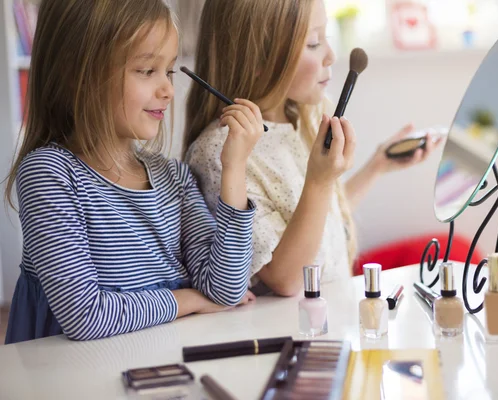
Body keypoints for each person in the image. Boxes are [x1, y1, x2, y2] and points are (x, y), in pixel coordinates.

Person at [4, 0, 263, 344]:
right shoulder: (50, 174)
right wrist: (190, 300)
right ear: (77, 74)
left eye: (168, 71)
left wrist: (234, 168)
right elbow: (86, 317)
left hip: (157, 365)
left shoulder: (175, 179)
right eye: (146, 71)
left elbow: (226, 288)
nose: (168, 89)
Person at [184, 0, 436, 297]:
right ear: (258, 61)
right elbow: (286, 279)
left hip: (335, 319)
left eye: (325, 39)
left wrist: (377, 165)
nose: (331, 55)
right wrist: (319, 179)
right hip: (291, 332)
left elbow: (322, 221)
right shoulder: (224, 150)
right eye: (314, 43)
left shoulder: (301, 119)